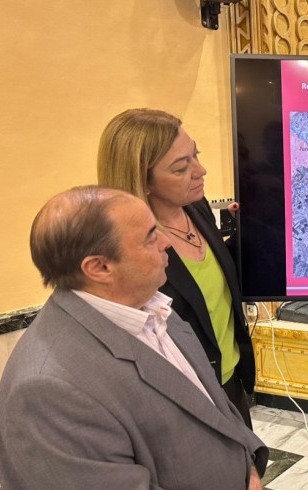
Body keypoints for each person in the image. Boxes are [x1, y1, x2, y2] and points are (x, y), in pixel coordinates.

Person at [0, 186, 267, 490]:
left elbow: (214, 405)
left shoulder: (153, 306)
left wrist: (249, 466)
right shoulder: (46, 393)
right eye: (151, 236)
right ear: (100, 267)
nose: (167, 242)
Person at [97, 108, 255, 428]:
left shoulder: (196, 208)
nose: (201, 170)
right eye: (182, 167)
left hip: (230, 380)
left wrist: (250, 228)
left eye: (196, 155)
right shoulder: (128, 249)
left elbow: (214, 279)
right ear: (143, 181)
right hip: (186, 400)